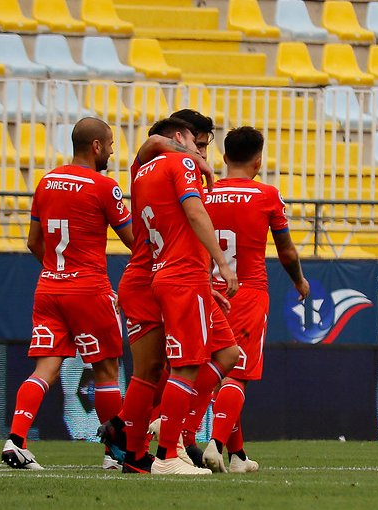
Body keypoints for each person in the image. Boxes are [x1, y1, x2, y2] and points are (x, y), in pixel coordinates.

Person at [1, 117, 134, 470]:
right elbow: (136, 242)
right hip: (89, 290)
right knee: (106, 369)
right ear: (95, 147)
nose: (111, 152)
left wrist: (58, 269)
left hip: (49, 287)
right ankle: (114, 455)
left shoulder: (46, 183)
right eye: (109, 145)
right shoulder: (104, 187)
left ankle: (16, 440)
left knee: (45, 368)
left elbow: (33, 241)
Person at [127, 116, 239, 475]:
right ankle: (166, 454)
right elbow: (193, 211)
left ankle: (162, 431)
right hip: (181, 276)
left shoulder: (144, 171)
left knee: (226, 353)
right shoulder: (182, 161)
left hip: (166, 273)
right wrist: (222, 263)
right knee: (183, 365)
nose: (201, 150)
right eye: (198, 142)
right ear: (179, 137)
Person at [201, 127, 310, 473]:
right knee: (238, 375)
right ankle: (215, 444)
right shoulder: (266, 195)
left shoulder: (205, 194)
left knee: (219, 371)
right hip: (246, 293)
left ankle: (238, 456)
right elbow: (287, 251)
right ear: (258, 159)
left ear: (223, 157)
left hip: (210, 291)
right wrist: (299, 281)